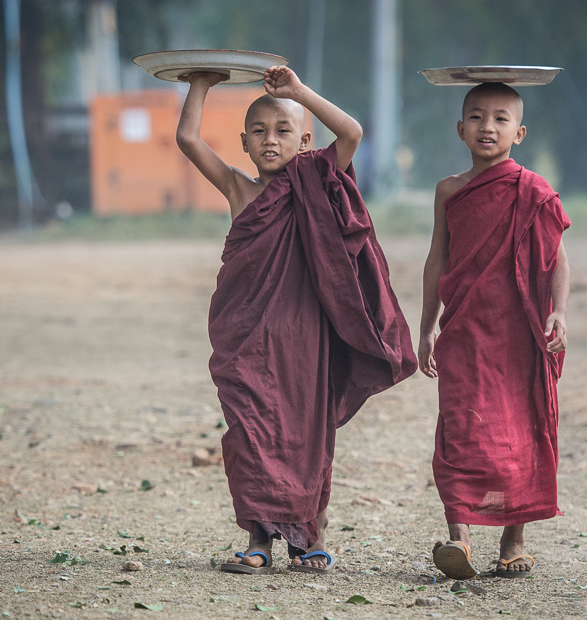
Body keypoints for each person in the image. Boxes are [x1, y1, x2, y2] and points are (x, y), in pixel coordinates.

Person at [176, 66, 416, 575]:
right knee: (251, 431)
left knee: (307, 434)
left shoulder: (318, 178)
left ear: (305, 139)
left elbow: (351, 132)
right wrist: (200, 82)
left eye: (284, 130)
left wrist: (298, 92)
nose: (270, 140)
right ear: (243, 142)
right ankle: (258, 539)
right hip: (245, 340)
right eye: (259, 132)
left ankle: (311, 538)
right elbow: (187, 138)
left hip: (306, 338)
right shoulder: (241, 192)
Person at [418, 82, 570, 579]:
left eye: (501, 118)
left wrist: (559, 312)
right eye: (478, 117)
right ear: (460, 130)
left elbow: (557, 259)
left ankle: (513, 539)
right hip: (463, 329)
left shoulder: (535, 191)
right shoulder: (449, 190)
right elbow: (436, 259)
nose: (489, 127)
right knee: (460, 427)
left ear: (519, 133)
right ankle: (458, 538)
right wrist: (426, 328)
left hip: (517, 334)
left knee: (518, 433)